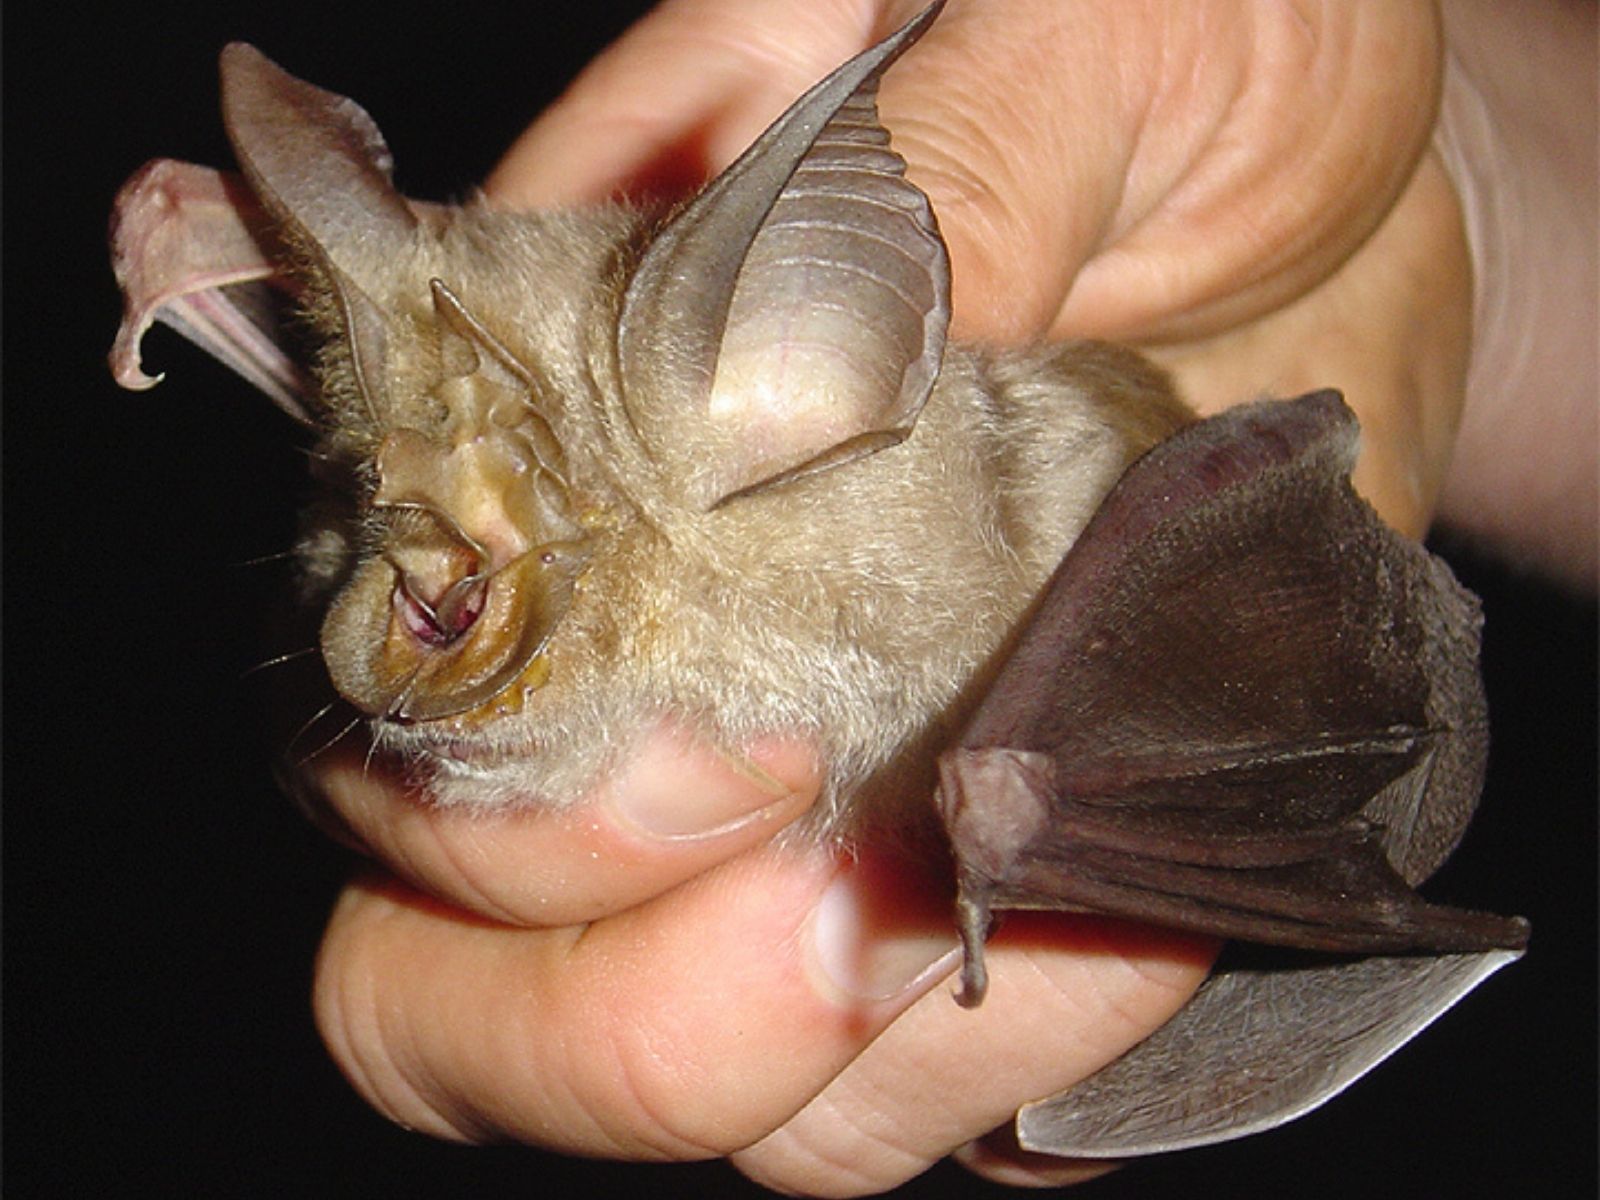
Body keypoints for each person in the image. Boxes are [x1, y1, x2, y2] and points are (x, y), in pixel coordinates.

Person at [302, 1, 1597, 1193]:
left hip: (1075, 575)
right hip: (1113, 622)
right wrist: (1456, 159)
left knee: (976, 831)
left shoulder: (802, 494)